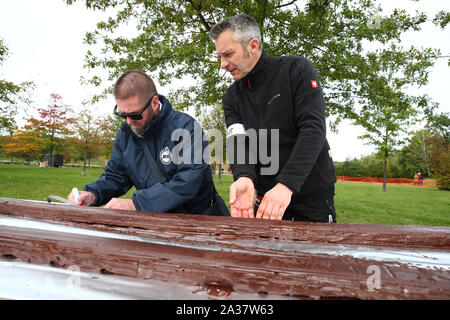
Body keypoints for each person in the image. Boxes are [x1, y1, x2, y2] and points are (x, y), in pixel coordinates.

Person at [209, 14, 337, 222]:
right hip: (265, 197)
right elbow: (238, 141)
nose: (222, 64)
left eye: (228, 54)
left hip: (312, 196)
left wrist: (286, 185)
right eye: (220, 57)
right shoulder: (231, 97)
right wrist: (244, 177)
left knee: (315, 254)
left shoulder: (297, 70)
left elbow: (313, 129)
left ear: (252, 45)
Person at [68, 70, 221, 215]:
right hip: (154, 223)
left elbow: (189, 181)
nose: (128, 122)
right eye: (122, 114)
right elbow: (116, 177)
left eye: (135, 114)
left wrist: (137, 204)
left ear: (154, 103)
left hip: (196, 222)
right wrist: (94, 194)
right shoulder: (125, 134)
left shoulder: (186, 127)